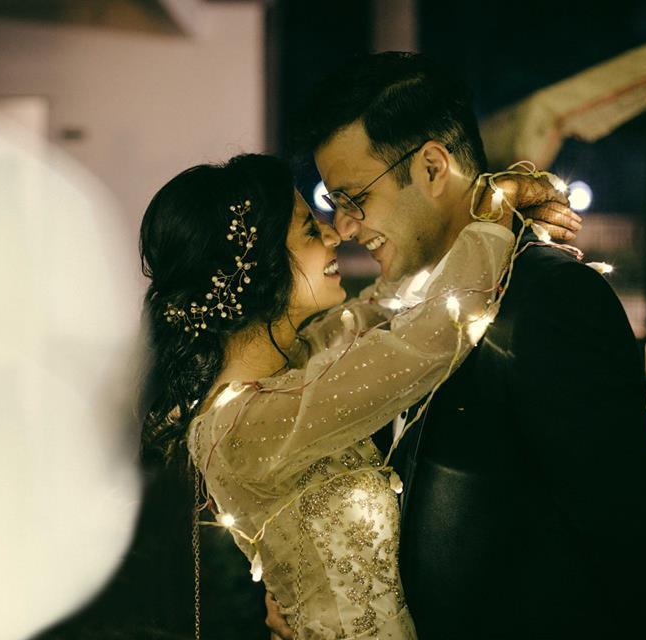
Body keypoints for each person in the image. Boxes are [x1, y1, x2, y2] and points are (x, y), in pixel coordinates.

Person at [265, 52, 646, 639]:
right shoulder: (402, 309)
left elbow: (628, 540)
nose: (348, 227)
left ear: (432, 168)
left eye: (354, 196)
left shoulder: (550, 299)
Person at [138, 153, 579, 639]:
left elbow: (387, 305)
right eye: (310, 229)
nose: (334, 234)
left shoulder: (302, 358)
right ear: (256, 264)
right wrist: (496, 214)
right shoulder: (243, 424)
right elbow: (422, 341)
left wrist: (473, 198)